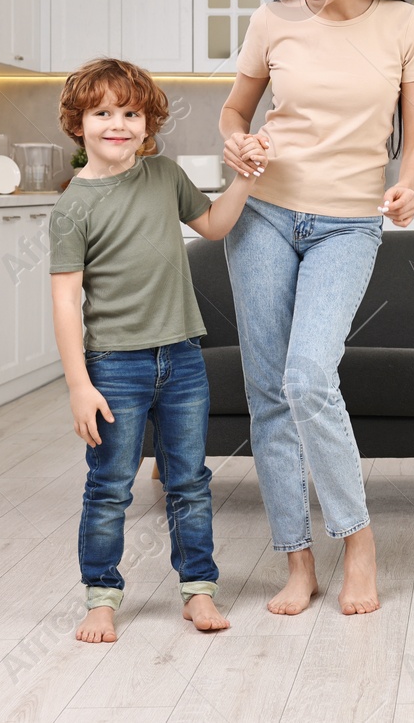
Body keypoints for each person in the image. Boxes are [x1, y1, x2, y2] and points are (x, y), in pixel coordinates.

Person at [217, 0, 414, 616]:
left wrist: (406, 185)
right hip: (265, 215)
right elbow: (235, 108)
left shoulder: (405, 25)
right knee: (269, 392)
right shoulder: (273, 20)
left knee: (310, 376)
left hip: (348, 222)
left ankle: (359, 540)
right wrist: (237, 140)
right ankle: (296, 559)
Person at [49, 57, 259, 643]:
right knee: (111, 483)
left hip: (183, 358)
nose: (118, 124)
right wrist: (78, 384)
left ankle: (198, 590)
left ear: (148, 123)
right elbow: (66, 304)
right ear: (78, 124)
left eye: (131, 113)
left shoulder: (164, 176)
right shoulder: (73, 206)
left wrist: (246, 177)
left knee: (189, 479)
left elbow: (215, 225)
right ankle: (101, 596)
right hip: (114, 366)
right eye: (102, 113)